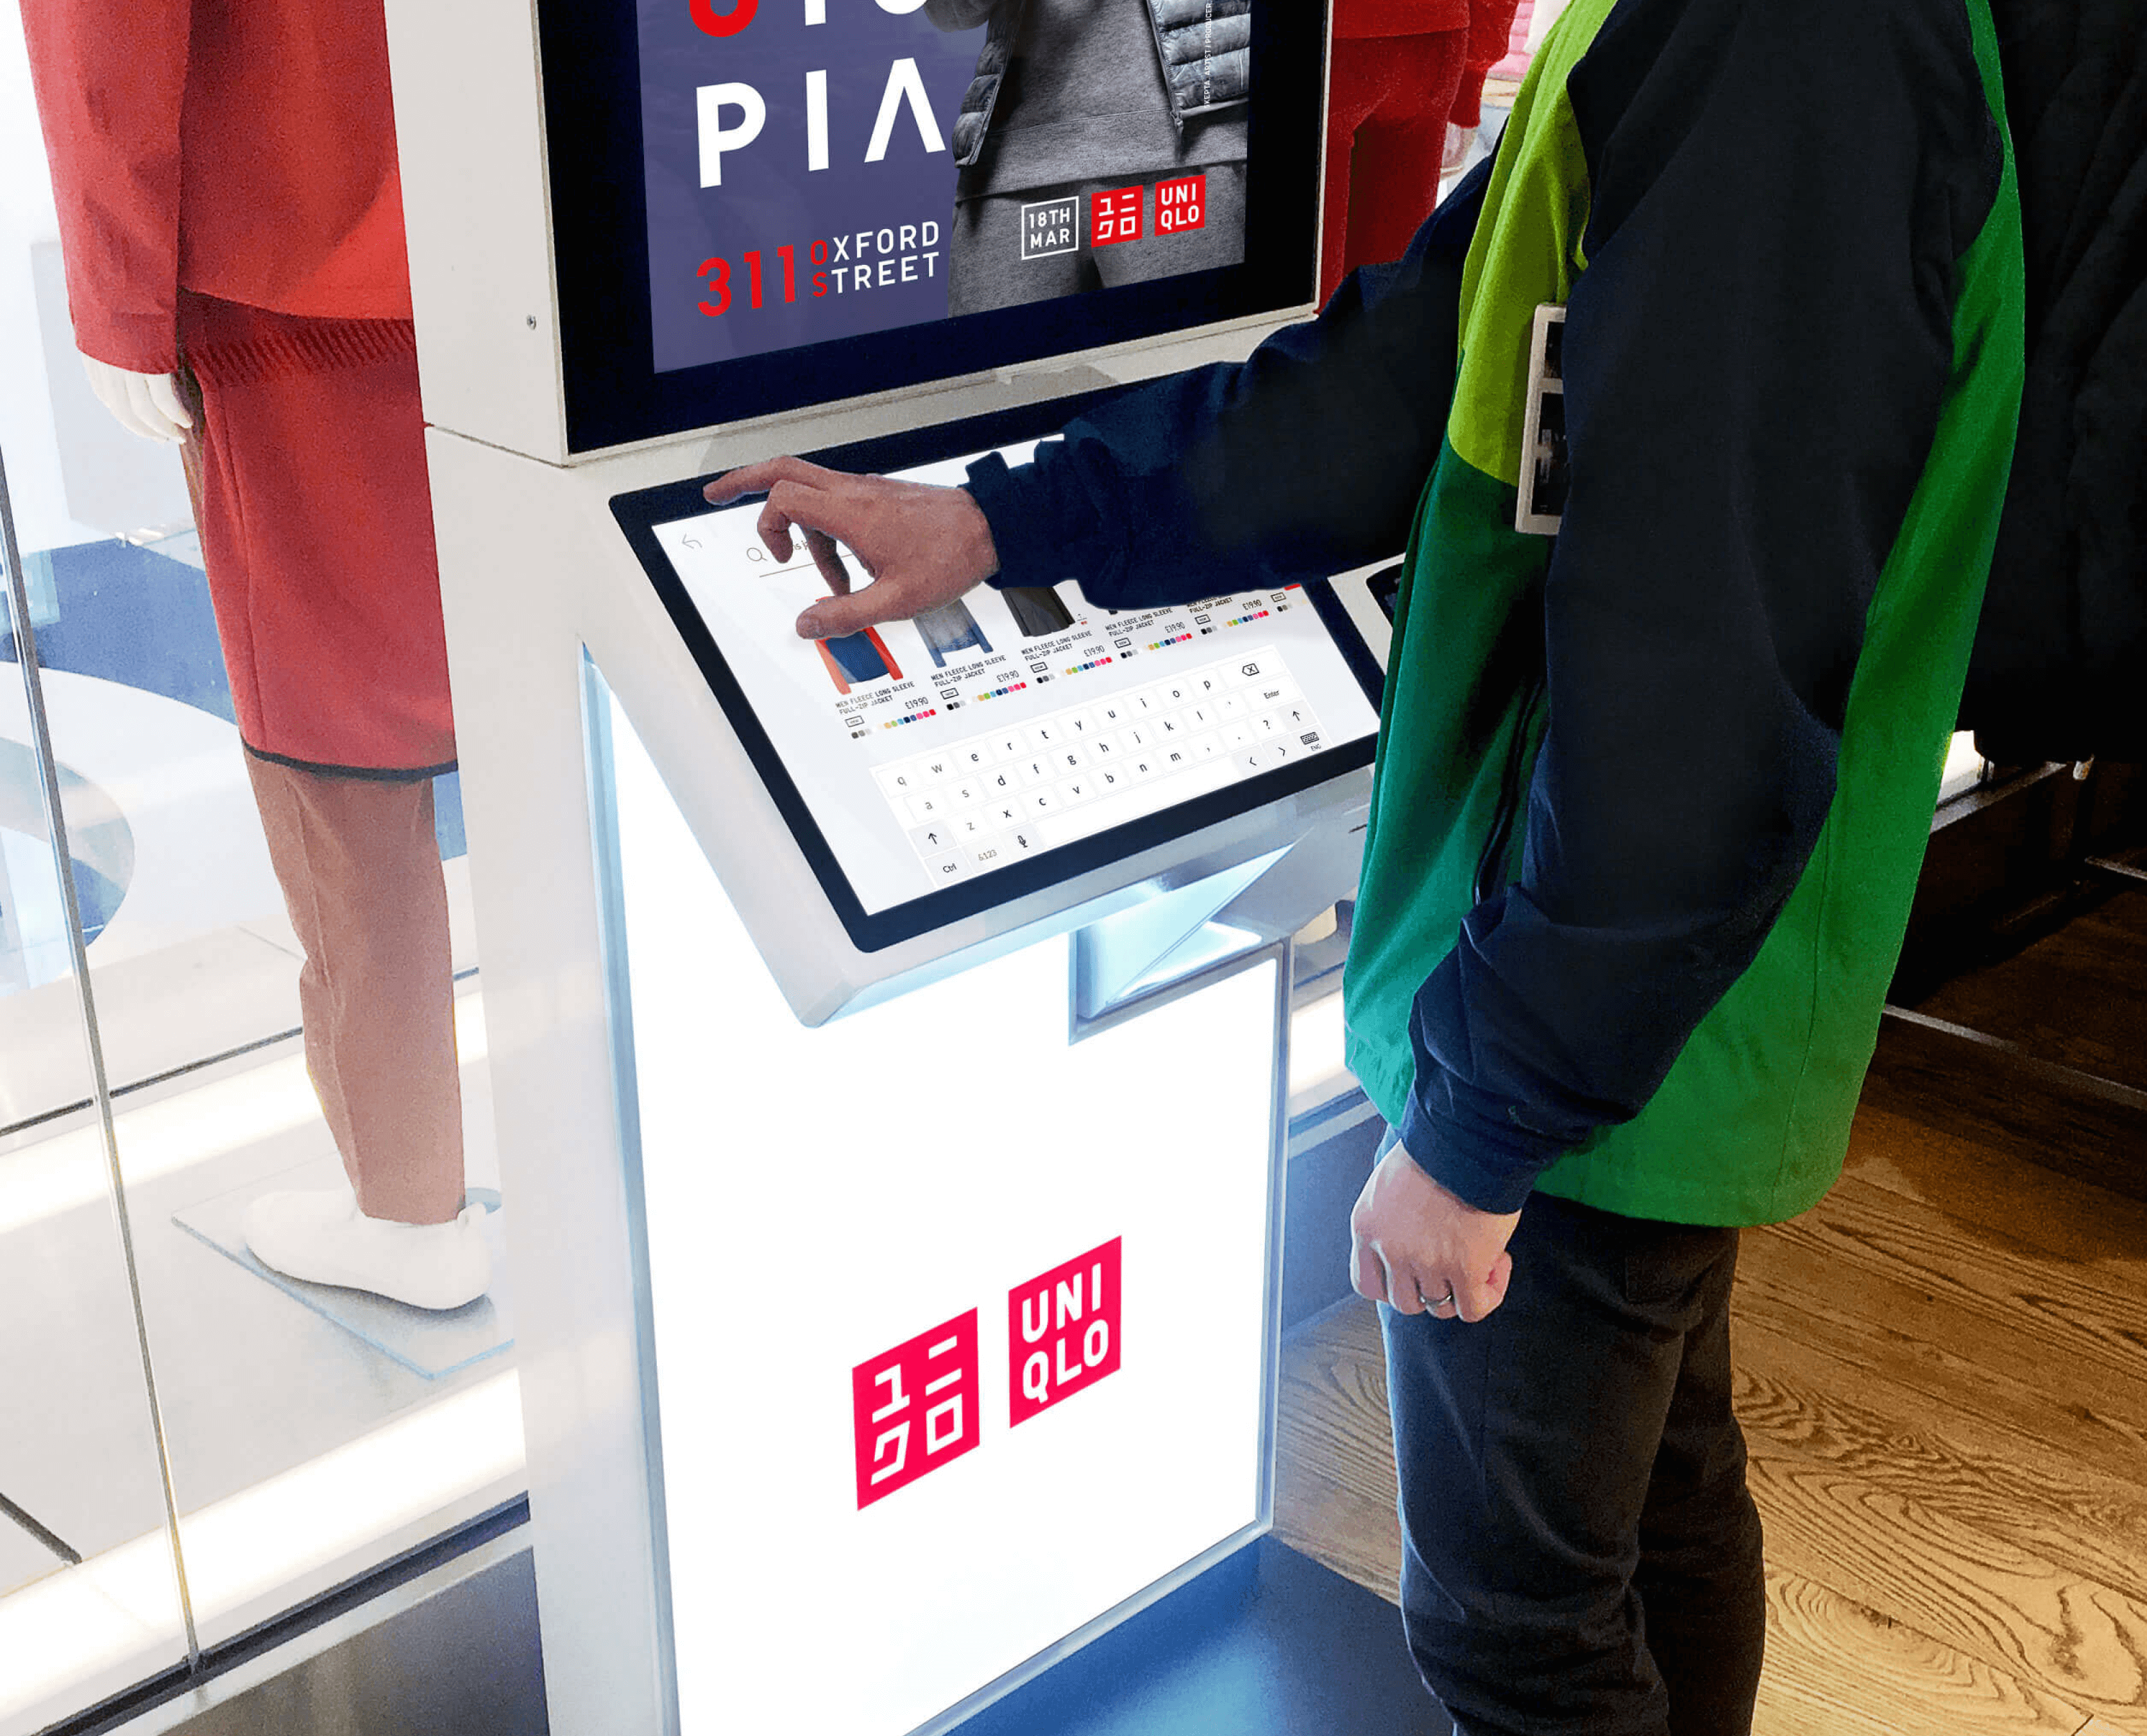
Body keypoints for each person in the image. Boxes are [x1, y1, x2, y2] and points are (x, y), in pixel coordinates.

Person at [711, 0, 2023, 1726]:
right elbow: (1412, 368)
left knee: (1523, 1622)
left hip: (1597, 996)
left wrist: (1484, 1126)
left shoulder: (1778, 48)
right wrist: (1009, 520)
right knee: (1650, 1502)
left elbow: (1704, 658)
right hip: (1654, 991)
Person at [22, 0, 488, 1310]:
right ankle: (630, 1130)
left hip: (304, 233)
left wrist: (119, 297)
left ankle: (408, 1210)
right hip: (558, 201)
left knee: (341, 755)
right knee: (597, 690)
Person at [928, 0, 1250, 314]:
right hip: (1012, 168)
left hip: (1182, 152)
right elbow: (946, 11)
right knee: (988, 365)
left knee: (1190, 364)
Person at [1319, 0, 1518, 305]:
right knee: (1385, 300)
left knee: (1300, 305)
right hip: (1433, 43)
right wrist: (1470, 80)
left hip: (1326, 36)